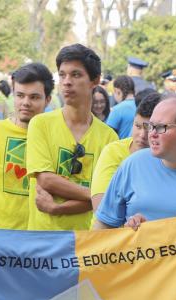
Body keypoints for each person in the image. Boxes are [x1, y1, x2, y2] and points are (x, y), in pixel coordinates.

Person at [26, 44, 117, 231]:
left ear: (95, 81)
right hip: (43, 242)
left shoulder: (109, 138)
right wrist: (94, 195)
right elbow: (46, 180)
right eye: (62, 75)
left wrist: (57, 208)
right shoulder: (40, 124)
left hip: (87, 241)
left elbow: (107, 200)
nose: (67, 82)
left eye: (76, 75)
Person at [93, 95, 176, 230]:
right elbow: (102, 226)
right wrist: (128, 231)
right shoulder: (133, 164)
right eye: (150, 126)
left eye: (160, 127)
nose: (150, 134)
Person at [0, 62, 54, 230]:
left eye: (34, 97)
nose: (25, 102)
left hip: (41, 240)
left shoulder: (55, 136)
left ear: (48, 99)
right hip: (0, 239)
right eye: (20, 95)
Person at [89, 91, 162, 217]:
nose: (142, 135)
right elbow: (100, 207)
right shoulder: (113, 152)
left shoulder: (168, 157)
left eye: (149, 128)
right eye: (138, 126)